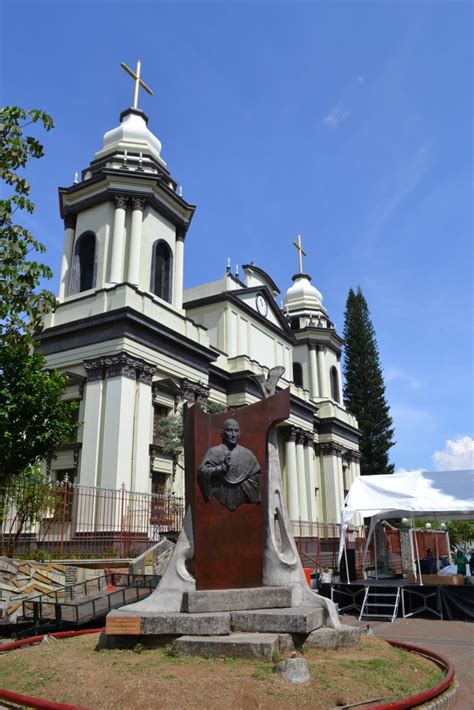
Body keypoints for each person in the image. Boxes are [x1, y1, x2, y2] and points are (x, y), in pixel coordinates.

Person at [198, 418, 260, 511]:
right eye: (230, 431)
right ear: (222, 433)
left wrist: (243, 481)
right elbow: (202, 472)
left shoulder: (248, 454)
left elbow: (256, 476)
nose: (233, 435)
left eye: (236, 431)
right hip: (220, 494)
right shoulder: (214, 452)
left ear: (239, 434)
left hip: (242, 496)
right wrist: (221, 469)